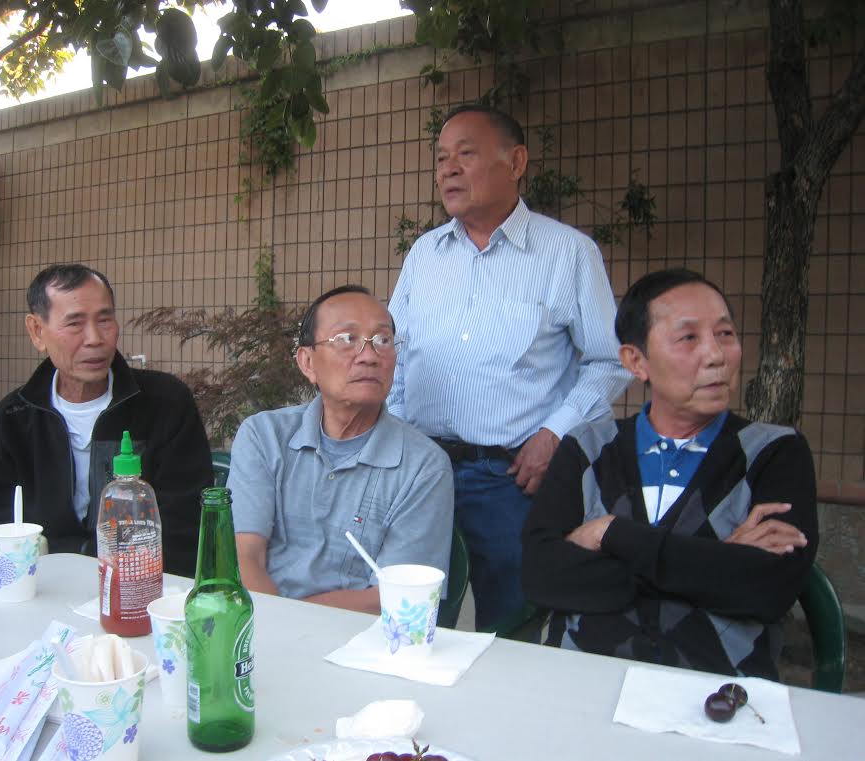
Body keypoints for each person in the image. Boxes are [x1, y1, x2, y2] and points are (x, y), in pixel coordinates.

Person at [387, 104, 631, 631]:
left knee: (509, 630)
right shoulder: (424, 255)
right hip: (422, 472)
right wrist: (397, 435)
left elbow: (609, 361)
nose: (449, 170)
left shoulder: (567, 253)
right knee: (412, 622)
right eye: (441, 158)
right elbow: (395, 356)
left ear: (516, 162)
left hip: (511, 479)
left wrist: (554, 434)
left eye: (466, 154)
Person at [521, 269, 818, 679]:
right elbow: (541, 577)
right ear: (636, 361)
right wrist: (716, 559)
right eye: (688, 338)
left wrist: (610, 534)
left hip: (717, 691)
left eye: (725, 334)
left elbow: (768, 589)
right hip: (578, 681)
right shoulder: (587, 448)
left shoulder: (773, 452)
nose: (715, 355)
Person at [0, 264, 212, 576]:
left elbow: (186, 526)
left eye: (104, 320)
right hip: (41, 584)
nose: (94, 338)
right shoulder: (13, 419)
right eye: (75, 324)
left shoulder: (165, 404)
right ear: (37, 331)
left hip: (141, 584)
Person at [227, 285, 454, 614]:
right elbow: (242, 554)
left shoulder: (424, 465)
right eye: (347, 338)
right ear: (307, 362)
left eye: (383, 340)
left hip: (359, 636)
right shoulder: (264, 436)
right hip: (260, 623)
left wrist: (290, 620)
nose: (369, 355)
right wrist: (276, 626)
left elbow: (399, 596)